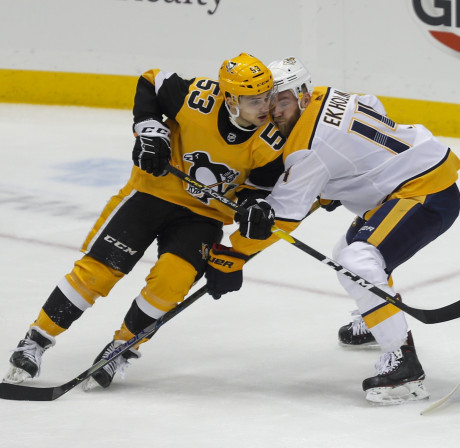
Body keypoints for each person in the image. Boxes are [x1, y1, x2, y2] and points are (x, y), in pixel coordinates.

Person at [5, 53, 286, 390]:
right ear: (230, 99)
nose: (265, 106)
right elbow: (151, 80)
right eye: (254, 100)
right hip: (150, 194)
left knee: (172, 280)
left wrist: (255, 211)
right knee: (99, 270)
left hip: (203, 216)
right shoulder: (197, 99)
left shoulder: (271, 141)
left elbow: (257, 191)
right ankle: (36, 340)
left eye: (267, 97)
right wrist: (151, 131)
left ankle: (122, 347)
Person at [225, 57, 460, 404]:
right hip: (415, 176)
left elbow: (286, 214)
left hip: (426, 191)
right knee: (346, 253)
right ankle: (377, 316)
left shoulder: (307, 148)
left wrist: (241, 241)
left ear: (303, 96)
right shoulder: (327, 94)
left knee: (358, 260)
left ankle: (405, 368)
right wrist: (352, 167)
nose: (272, 110)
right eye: (267, 100)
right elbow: (370, 105)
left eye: (283, 100)